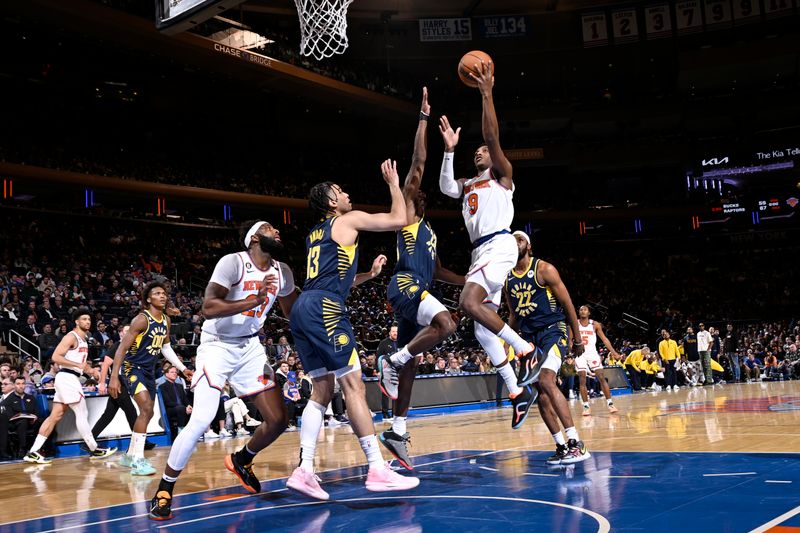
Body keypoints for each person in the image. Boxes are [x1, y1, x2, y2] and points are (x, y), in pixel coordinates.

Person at [149, 220, 298, 521]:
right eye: (271, 228)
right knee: (203, 417)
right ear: (254, 238)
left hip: (251, 347)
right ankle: (164, 488)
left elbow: (292, 311)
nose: (278, 231)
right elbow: (209, 307)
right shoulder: (233, 263)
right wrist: (252, 300)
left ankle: (242, 459)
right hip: (216, 345)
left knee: (279, 418)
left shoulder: (282, 271)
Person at [287, 161, 419, 501]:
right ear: (332, 203)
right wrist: (393, 183)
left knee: (321, 388)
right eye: (340, 191)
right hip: (326, 308)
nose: (347, 194)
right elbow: (399, 219)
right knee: (353, 386)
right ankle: (377, 469)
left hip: (305, 306)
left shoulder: (313, 235)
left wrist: (369, 276)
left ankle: (304, 469)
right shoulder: (346, 219)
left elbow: (328, 280)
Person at [438, 62, 534, 429]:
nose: (480, 152)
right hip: (480, 250)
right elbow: (447, 187)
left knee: (468, 303)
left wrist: (486, 93)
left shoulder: (502, 176)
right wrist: (449, 151)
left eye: (483, 150)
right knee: (480, 328)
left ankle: (525, 350)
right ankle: (517, 392)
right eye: (475, 151)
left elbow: (493, 139)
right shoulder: (466, 184)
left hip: (499, 245)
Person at [377, 88, 463, 469]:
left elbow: (441, 270)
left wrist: (470, 281)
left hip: (419, 288)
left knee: (411, 364)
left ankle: (397, 429)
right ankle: (391, 360)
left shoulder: (429, 230)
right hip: (405, 284)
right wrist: (424, 118)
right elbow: (418, 159)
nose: (420, 187)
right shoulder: (407, 211)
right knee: (446, 323)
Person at [503, 231, 590, 465]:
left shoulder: (544, 269)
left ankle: (576, 443)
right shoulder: (507, 278)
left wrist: (578, 338)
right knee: (540, 393)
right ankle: (561, 445)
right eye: (512, 239)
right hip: (529, 339)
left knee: (546, 380)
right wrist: (504, 343)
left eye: (520, 239)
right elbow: (513, 315)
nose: (515, 242)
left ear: (529, 246)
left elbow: (567, 303)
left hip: (553, 331)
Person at [109, 282, 190, 476]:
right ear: (148, 299)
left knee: (149, 412)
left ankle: (129, 455)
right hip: (132, 367)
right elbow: (122, 349)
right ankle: (138, 460)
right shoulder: (141, 320)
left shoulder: (165, 320)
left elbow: (166, 348)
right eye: (157, 293)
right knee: (146, 408)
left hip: (149, 370)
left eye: (164, 293)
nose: (162, 296)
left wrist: (183, 368)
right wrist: (114, 376)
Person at [23, 308, 117, 464]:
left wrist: (90, 372)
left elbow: (79, 365)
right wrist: (81, 367)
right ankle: (94, 449)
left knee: (55, 416)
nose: (87, 322)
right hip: (67, 378)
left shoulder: (84, 339)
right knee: (82, 412)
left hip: (68, 377)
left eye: (89, 319)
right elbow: (55, 357)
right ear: (77, 322)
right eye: (84, 319)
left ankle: (33, 452)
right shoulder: (70, 336)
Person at [575, 306, 620, 416]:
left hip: (592, 353)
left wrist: (613, 352)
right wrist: (569, 351)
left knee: (601, 377)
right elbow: (570, 341)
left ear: (589, 312)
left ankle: (610, 404)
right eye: (581, 309)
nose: (583, 311)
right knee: (582, 378)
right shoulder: (574, 324)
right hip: (580, 354)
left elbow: (604, 339)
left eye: (585, 309)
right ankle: (586, 406)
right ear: (578, 312)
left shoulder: (595, 324)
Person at [0, 377, 39, 458]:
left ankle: (42, 448)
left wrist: (35, 416)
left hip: (31, 421)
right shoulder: (8, 400)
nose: (21, 386)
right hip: (14, 424)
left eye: (23, 383)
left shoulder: (31, 398)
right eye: (18, 384)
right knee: (23, 422)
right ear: (14, 385)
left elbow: (36, 411)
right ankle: (22, 449)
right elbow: (8, 416)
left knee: (44, 421)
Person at [159, 366, 192, 439]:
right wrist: (184, 408)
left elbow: (185, 399)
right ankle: (180, 430)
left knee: (192, 408)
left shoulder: (179, 386)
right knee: (181, 408)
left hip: (182, 408)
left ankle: (193, 432)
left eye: (175, 372)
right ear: (166, 374)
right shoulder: (162, 386)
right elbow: (168, 402)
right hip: (170, 409)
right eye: (172, 372)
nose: (174, 374)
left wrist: (189, 406)